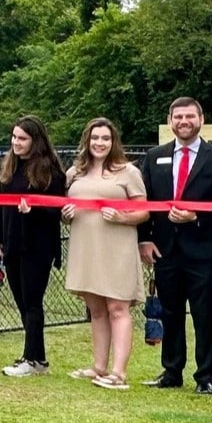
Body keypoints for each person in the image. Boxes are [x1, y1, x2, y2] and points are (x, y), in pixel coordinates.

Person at [135, 98, 212, 395]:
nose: (183, 121)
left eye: (189, 116)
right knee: (170, 312)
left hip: (202, 250)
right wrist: (144, 238)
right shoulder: (154, 156)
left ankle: (206, 376)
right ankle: (171, 371)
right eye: (178, 116)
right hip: (165, 249)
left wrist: (197, 215)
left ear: (201, 119)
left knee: (204, 314)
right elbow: (144, 201)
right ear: (170, 121)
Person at [62, 117, 150, 390]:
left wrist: (122, 218)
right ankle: (99, 367)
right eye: (95, 138)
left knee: (117, 308)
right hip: (86, 248)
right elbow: (64, 211)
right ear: (87, 141)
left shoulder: (128, 172)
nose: (99, 143)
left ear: (114, 142)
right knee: (97, 309)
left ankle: (118, 373)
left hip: (117, 248)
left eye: (105, 138)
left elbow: (144, 211)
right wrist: (66, 215)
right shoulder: (74, 173)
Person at [0, 115, 66, 378]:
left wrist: (34, 209)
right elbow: (3, 208)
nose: (16, 142)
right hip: (13, 242)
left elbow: (57, 211)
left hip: (37, 245)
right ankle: (38, 358)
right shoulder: (10, 168)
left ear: (36, 140)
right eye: (14, 137)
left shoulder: (50, 171)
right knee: (22, 302)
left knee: (33, 302)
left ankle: (31, 360)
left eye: (22, 138)